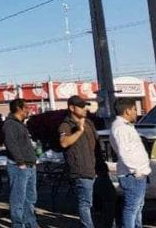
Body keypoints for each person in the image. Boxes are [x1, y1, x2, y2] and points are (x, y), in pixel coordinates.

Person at [109, 98, 150, 228]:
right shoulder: (121, 128)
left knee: (137, 207)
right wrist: (136, 171)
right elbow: (124, 152)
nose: (136, 113)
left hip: (136, 174)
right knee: (132, 208)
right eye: (134, 109)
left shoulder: (125, 126)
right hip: (132, 175)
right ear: (127, 111)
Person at [59, 95, 99, 228]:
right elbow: (64, 143)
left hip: (92, 167)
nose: (84, 109)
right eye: (81, 106)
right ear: (71, 108)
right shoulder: (66, 125)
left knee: (95, 202)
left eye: (85, 106)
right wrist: (79, 131)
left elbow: (95, 143)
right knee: (85, 203)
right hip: (80, 170)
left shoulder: (89, 123)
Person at [3, 99, 38, 228]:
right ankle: (18, 224)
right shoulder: (10, 124)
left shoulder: (21, 124)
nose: (28, 110)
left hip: (29, 166)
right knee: (18, 199)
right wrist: (21, 163)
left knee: (30, 198)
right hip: (19, 167)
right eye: (26, 107)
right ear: (19, 108)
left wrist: (32, 162)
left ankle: (31, 223)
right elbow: (11, 144)